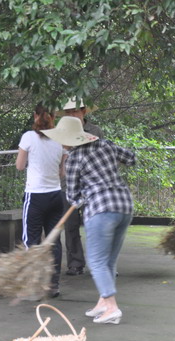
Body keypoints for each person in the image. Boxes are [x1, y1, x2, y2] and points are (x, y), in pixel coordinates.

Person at [42, 116, 136, 324]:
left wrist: (83, 195)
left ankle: (111, 307)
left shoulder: (74, 158)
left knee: (97, 261)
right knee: (109, 260)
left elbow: (72, 195)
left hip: (101, 209)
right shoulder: (106, 144)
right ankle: (103, 302)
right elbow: (131, 158)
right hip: (124, 205)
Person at [15, 104, 66, 298]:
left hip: (35, 196)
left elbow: (20, 166)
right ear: (54, 117)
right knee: (54, 241)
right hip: (56, 195)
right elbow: (62, 172)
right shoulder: (61, 139)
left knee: (32, 241)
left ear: (35, 115)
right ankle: (53, 285)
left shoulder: (28, 137)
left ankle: (34, 286)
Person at [58, 97, 104, 276]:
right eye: (68, 112)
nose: (72, 115)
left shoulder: (95, 131)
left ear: (84, 111)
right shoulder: (60, 132)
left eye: (75, 111)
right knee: (70, 226)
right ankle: (75, 264)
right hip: (68, 185)